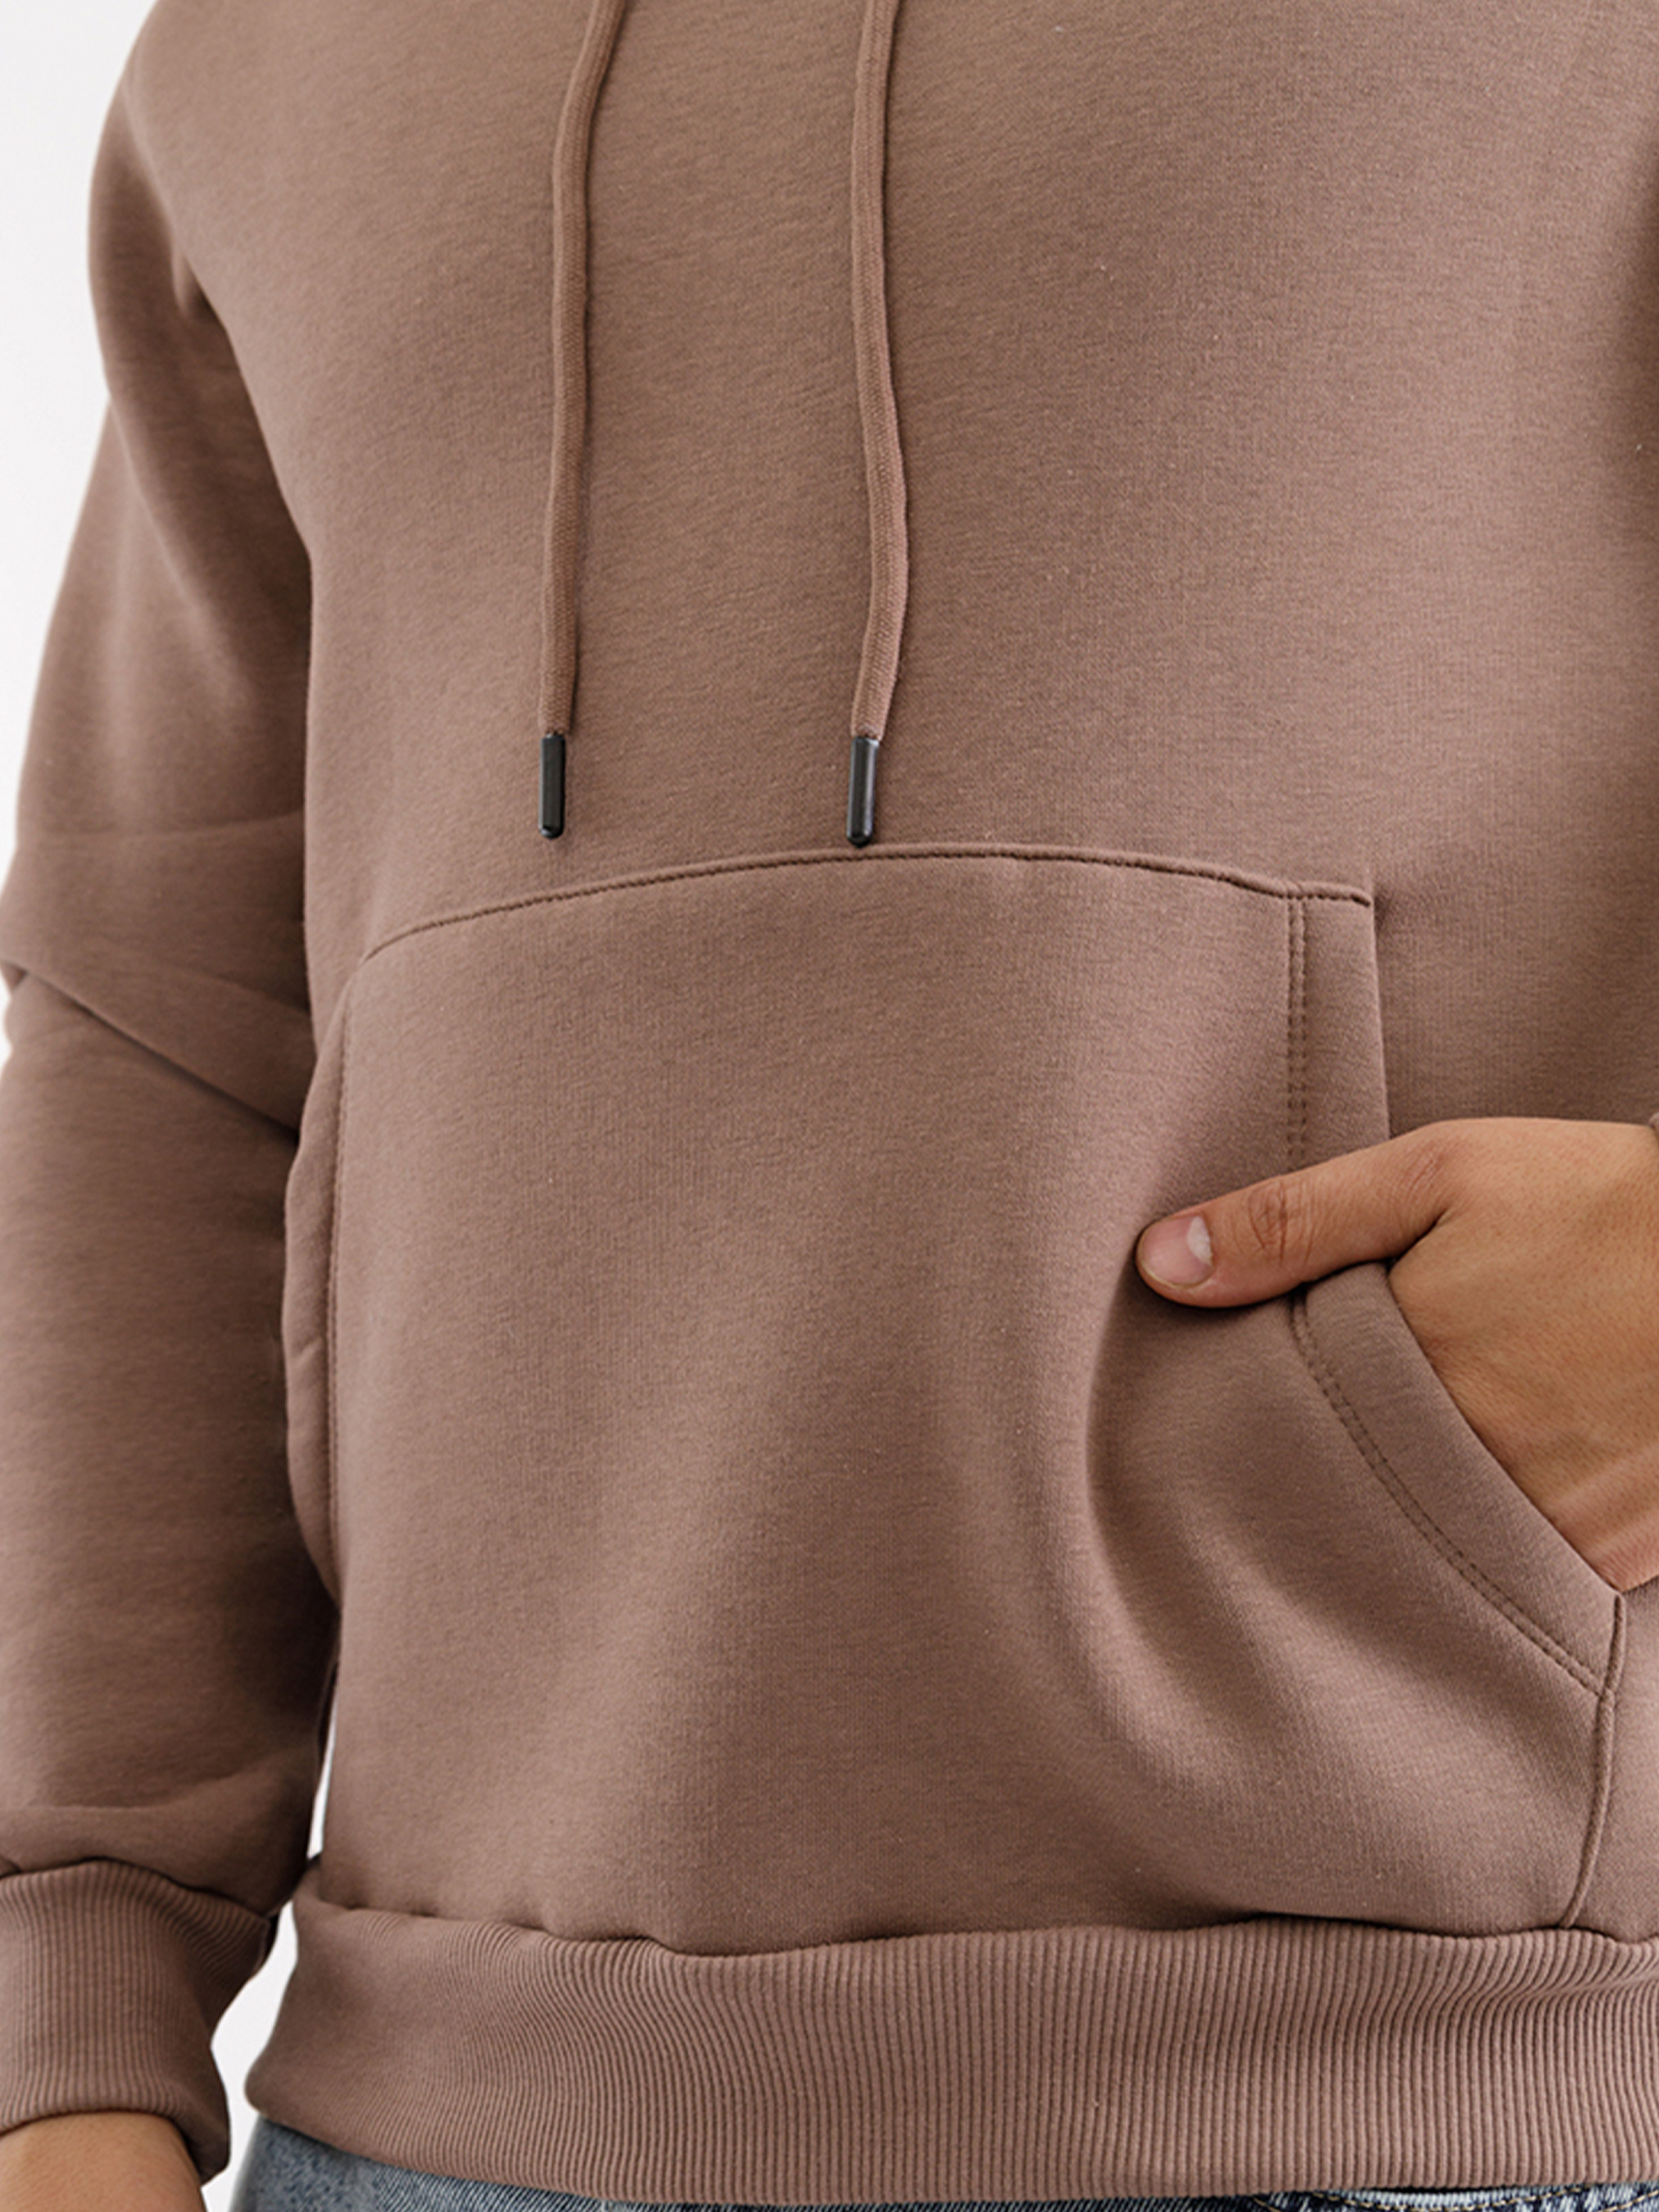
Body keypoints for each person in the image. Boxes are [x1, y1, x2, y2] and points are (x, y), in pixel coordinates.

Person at [7, 0, 1659, 2205]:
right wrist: (65, 2019)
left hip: (1441, 2086)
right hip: (425, 2117)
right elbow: (165, 1043)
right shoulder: (255, 44)